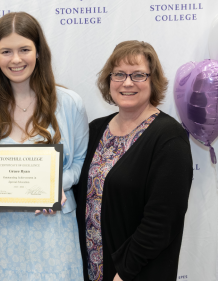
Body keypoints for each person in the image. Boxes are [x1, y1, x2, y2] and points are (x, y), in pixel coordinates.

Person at [0, 12, 88, 280]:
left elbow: (82, 162)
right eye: (6, 51)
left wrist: (57, 184)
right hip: (5, 231)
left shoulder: (69, 103)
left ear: (38, 52)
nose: (15, 59)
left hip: (54, 229)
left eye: (24, 49)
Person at [73, 40, 193, 281]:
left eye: (138, 75)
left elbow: (162, 221)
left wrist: (124, 273)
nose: (127, 83)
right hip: (90, 270)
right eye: (119, 74)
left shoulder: (169, 137)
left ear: (153, 80)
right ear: (109, 80)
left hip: (135, 273)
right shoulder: (95, 129)